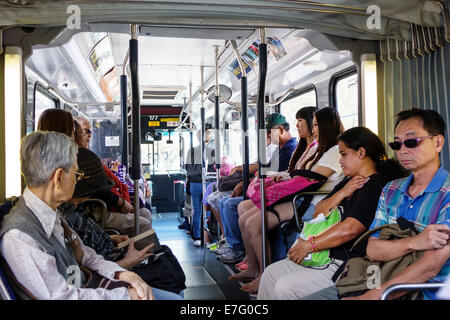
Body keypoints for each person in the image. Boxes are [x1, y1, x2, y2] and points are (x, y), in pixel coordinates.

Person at [302, 108, 450, 300]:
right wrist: (415, 242)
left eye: (412, 142)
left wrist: (369, 297)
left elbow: (430, 267)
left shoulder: (446, 195)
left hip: (423, 292)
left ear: (437, 142)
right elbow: (373, 250)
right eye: (397, 144)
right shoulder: (391, 190)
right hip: (378, 277)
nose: (403, 150)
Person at [257, 126, 407, 299]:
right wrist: (341, 194)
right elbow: (318, 211)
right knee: (270, 274)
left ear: (361, 153)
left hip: (345, 263)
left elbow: (351, 229)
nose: (340, 161)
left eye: (343, 154)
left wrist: (309, 246)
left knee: (286, 287)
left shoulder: (375, 185)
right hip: (325, 255)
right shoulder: (348, 181)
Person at [0, 131, 152, 300]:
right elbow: (61, 297)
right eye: (76, 175)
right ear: (58, 177)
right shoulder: (21, 237)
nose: (77, 181)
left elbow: (86, 255)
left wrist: (122, 274)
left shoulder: (50, 215)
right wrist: (125, 295)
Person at [232, 107, 345, 293]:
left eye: (316, 125)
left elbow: (313, 177)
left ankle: (262, 273)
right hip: (302, 200)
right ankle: (254, 267)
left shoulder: (334, 151)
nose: (313, 129)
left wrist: (288, 177)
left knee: (252, 223)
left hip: (312, 202)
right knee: (247, 218)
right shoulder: (320, 150)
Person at [217, 107, 317, 264]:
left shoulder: (291, 148)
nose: (268, 138)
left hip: (294, 195)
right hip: (280, 189)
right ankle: (244, 253)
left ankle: (240, 250)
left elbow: (294, 175)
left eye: (270, 135)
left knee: (231, 205)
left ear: (281, 130)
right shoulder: (289, 149)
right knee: (228, 202)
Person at [38, 109, 151, 236]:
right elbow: (99, 188)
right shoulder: (76, 157)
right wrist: (120, 202)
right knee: (143, 223)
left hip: (84, 211)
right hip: (94, 210)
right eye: (82, 131)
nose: (87, 135)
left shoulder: (42, 158)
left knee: (144, 213)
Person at [184, 127, 215, 246]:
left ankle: (197, 237)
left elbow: (186, 167)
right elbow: (214, 168)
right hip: (207, 184)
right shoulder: (211, 151)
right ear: (209, 137)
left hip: (194, 183)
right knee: (207, 211)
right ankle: (207, 237)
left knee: (196, 211)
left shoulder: (191, 151)